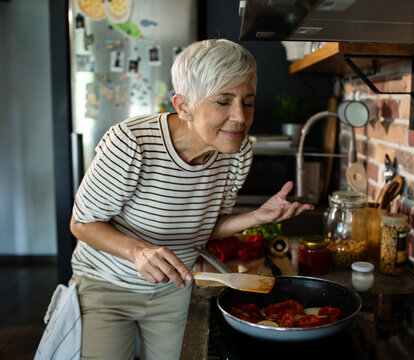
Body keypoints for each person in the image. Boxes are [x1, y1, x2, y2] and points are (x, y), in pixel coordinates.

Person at [68, 38, 314, 359]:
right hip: (107, 286)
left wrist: (257, 217)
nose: (240, 116)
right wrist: (138, 251)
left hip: (176, 288)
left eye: (248, 101)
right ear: (183, 106)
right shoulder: (131, 144)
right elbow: (82, 224)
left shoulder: (238, 152)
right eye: (223, 101)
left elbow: (206, 229)